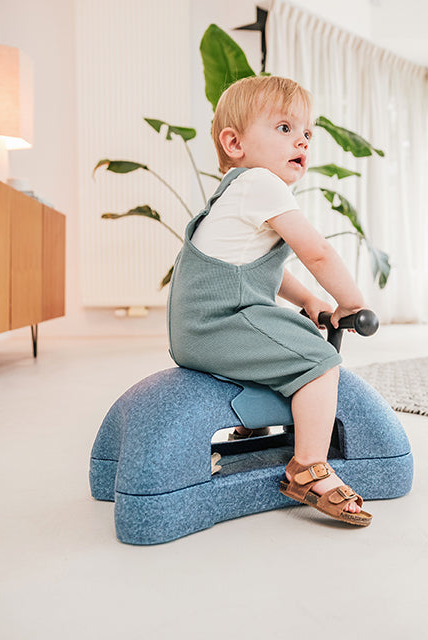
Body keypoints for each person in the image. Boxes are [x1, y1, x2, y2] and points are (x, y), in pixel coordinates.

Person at [166, 75, 371, 527]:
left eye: (306, 133)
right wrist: (350, 302)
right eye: (284, 128)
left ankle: (253, 427)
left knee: (291, 331)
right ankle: (308, 468)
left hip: (200, 327)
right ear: (234, 143)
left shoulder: (235, 191)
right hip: (220, 323)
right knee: (318, 360)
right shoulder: (261, 183)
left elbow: (261, 270)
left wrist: (312, 300)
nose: (302, 140)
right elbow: (316, 252)